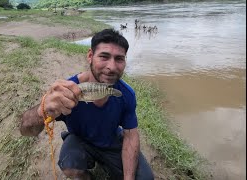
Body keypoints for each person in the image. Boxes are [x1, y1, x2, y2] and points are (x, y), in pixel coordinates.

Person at [20, 28, 154, 180]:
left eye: (119, 59)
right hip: (80, 140)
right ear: (90, 56)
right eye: (104, 56)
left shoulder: (126, 94)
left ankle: (107, 162)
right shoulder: (67, 91)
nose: (111, 67)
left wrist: (128, 178)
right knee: (69, 165)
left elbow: (131, 136)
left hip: (111, 140)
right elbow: (26, 131)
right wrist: (41, 110)